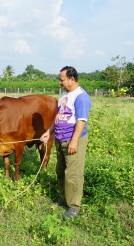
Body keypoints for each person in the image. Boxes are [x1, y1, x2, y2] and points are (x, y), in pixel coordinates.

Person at [40, 66, 92, 220]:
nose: (60, 82)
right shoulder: (64, 95)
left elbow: (81, 121)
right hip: (60, 139)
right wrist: (48, 133)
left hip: (73, 140)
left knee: (73, 174)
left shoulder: (81, 96)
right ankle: (64, 197)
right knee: (61, 171)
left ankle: (74, 206)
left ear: (72, 79)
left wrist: (74, 141)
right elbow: (58, 117)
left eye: (62, 79)